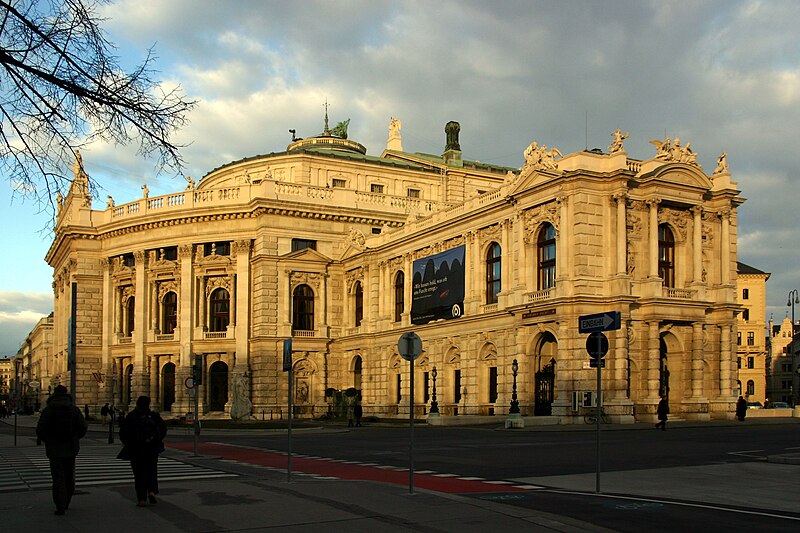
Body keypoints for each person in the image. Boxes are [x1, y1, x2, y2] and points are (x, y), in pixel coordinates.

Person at [35, 385, 88, 515]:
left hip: (54, 449)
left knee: (58, 477)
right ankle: (67, 500)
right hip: (71, 448)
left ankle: (60, 504)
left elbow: (40, 430)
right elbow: (83, 427)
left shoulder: (48, 410)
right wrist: (75, 438)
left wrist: (49, 440)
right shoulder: (73, 409)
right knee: (69, 475)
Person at [119, 396, 167, 507]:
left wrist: (129, 444)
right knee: (152, 471)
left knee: (139, 474)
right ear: (149, 404)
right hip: (152, 449)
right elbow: (163, 429)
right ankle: (151, 491)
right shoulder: (154, 416)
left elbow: (123, 433)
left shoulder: (131, 417)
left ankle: (141, 499)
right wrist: (156, 441)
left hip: (136, 450)